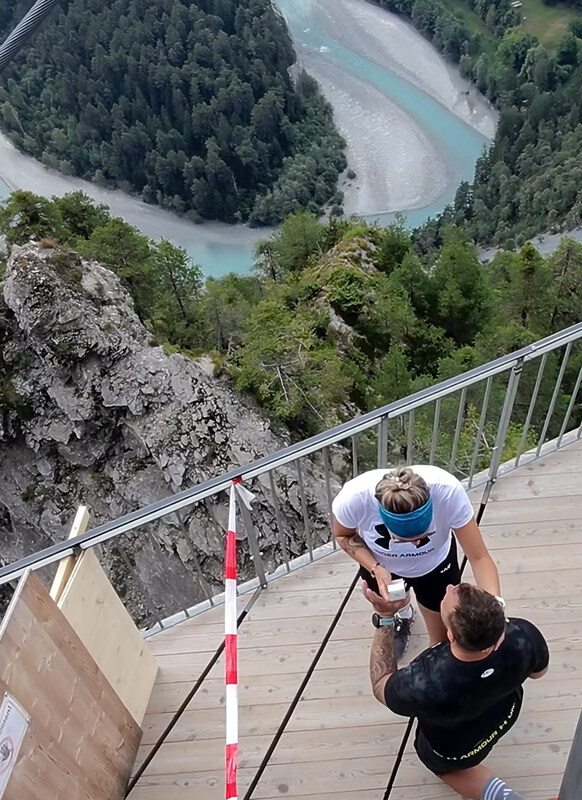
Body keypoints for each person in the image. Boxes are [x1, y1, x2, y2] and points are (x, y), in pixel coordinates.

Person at [367, 582, 550, 800]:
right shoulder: (523, 636)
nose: (449, 586)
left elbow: (380, 683)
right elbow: (539, 673)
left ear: (451, 637)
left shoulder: (423, 681)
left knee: (442, 765)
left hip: (456, 750)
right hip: (504, 714)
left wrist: (385, 617)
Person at [332, 465, 501, 656]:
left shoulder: (448, 493)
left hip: (436, 567)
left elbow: (479, 557)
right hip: (381, 568)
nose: (414, 545)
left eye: (423, 536)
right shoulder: (354, 499)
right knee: (393, 601)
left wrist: (497, 610)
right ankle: (403, 615)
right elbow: (343, 535)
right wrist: (375, 567)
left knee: (441, 639)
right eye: (403, 540)